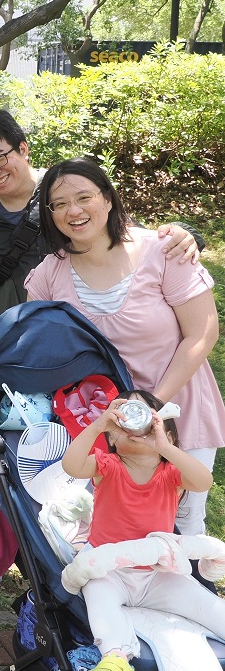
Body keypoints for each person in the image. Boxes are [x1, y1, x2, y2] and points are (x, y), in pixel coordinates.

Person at [26, 158, 224, 535]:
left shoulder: (163, 251)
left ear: (108, 199)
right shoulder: (51, 272)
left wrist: (150, 405)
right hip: (104, 420)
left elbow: (202, 334)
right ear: (50, 214)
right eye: (60, 204)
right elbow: (28, 325)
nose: (74, 211)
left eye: (85, 197)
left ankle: (195, 589)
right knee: (113, 521)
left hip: (180, 405)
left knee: (183, 520)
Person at [0, 108, 201, 328]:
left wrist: (183, 234)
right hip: (12, 340)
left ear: (23, 149)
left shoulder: (69, 194)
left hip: (83, 331)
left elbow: (127, 234)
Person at [59, 392, 225, 671]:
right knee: (101, 604)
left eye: (146, 417)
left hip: (156, 572)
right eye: (123, 417)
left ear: (167, 433)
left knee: (208, 606)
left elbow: (203, 481)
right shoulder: (108, 465)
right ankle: (116, 661)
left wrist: (162, 446)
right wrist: (98, 425)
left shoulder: (171, 474)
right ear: (113, 437)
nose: (134, 424)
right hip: (108, 570)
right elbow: (71, 465)